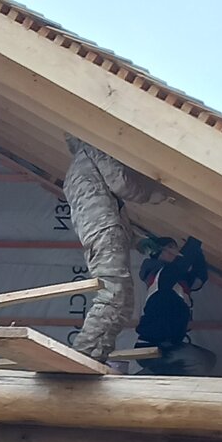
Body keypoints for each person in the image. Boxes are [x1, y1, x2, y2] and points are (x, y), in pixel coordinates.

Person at [63, 137, 156, 363]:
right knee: (114, 296)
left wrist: (139, 241)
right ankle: (84, 353)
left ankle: (96, 354)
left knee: (122, 301)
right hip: (106, 232)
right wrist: (154, 193)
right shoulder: (92, 151)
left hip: (99, 234)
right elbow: (121, 183)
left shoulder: (72, 175)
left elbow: (103, 209)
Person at [134, 235, 216, 376]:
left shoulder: (179, 282)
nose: (176, 252)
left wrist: (198, 252)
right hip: (151, 346)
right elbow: (181, 264)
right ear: (158, 253)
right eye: (170, 248)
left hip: (169, 345)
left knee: (209, 359)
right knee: (199, 363)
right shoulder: (161, 275)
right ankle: (144, 378)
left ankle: (155, 376)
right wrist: (196, 238)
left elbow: (200, 277)